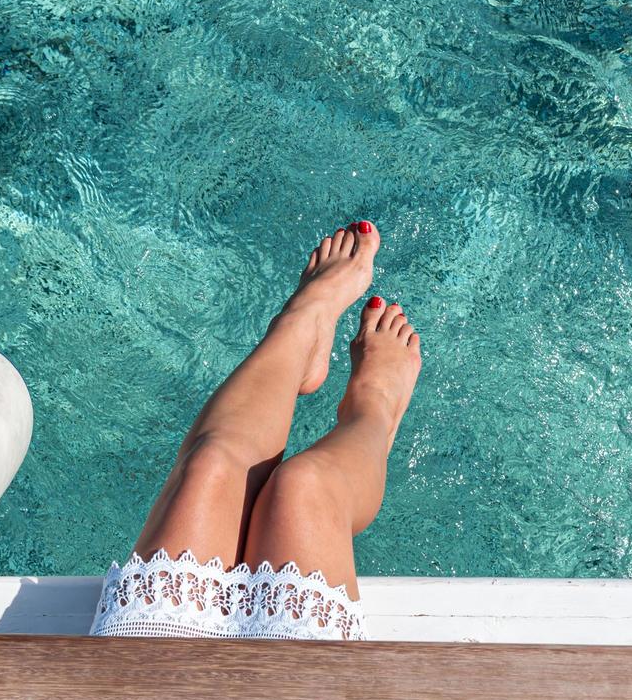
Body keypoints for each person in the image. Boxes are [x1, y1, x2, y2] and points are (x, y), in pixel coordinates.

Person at [90, 220, 420, 640]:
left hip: (142, 674)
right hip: (291, 698)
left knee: (209, 466)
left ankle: (303, 324)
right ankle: (374, 411)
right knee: (305, 487)